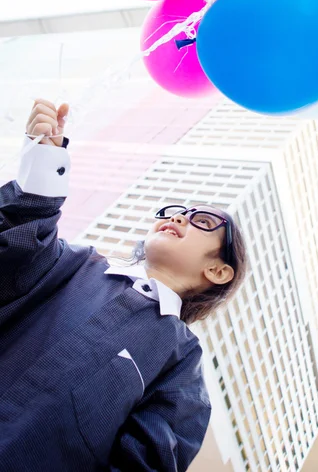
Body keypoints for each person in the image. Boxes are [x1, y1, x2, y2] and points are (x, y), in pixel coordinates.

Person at [0, 98, 247, 472]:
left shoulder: (181, 365)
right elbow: (18, 247)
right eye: (175, 211)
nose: (179, 216)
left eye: (203, 220)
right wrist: (44, 162)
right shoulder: (76, 264)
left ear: (218, 271)